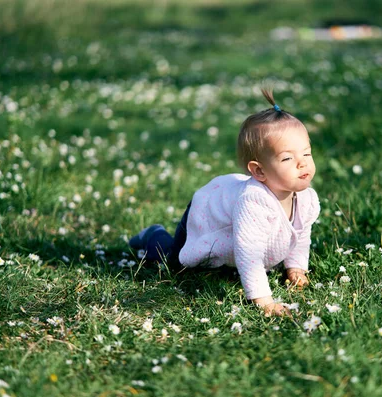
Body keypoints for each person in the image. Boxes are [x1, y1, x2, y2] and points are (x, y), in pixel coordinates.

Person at [129, 88, 320, 316]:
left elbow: (299, 234)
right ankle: (153, 234)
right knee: (172, 264)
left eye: (306, 154)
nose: (302, 163)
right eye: (288, 158)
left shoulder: (306, 198)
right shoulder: (254, 202)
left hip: (229, 205)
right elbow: (248, 253)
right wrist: (265, 301)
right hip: (206, 212)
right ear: (259, 171)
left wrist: (296, 267)